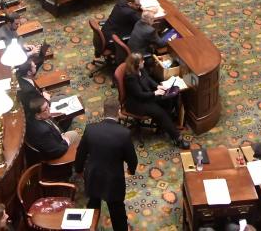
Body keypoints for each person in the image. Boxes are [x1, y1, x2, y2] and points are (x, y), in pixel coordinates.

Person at [75, 97, 138, 231]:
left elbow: (80, 153)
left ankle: (90, 227)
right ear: (118, 111)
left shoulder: (90, 129)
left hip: (93, 176)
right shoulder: (124, 133)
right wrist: (131, 171)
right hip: (113, 180)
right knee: (117, 212)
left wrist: (79, 169)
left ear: (103, 111)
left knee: (93, 204)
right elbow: (132, 159)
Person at [122, 52, 188, 147]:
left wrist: (158, 86)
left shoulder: (140, 69)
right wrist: (155, 93)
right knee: (160, 113)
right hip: (136, 104)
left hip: (146, 96)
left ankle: (162, 126)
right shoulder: (130, 78)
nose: (144, 62)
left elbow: (148, 79)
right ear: (137, 64)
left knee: (168, 99)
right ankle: (178, 138)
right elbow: (139, 95)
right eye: (142, 61)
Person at [24, 95, 80, 161]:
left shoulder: (30, 116)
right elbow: (57, 151)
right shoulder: (44, 132)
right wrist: (66, 141)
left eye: (48, 106)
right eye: (46, 109)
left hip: (54, 138)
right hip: (54, 153)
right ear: (38, 115)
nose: (49, 109)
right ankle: (77, 160)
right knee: (75, 135)